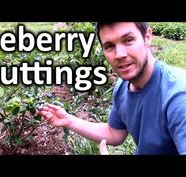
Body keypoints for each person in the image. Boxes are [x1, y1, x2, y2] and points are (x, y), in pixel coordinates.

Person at [37, 22, 186, 155]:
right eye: (109, 46)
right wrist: (68, 120)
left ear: (147, 37)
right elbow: (114, 133)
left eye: (128, 40)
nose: (119, 55)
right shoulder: (123, 87)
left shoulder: (179, 97)